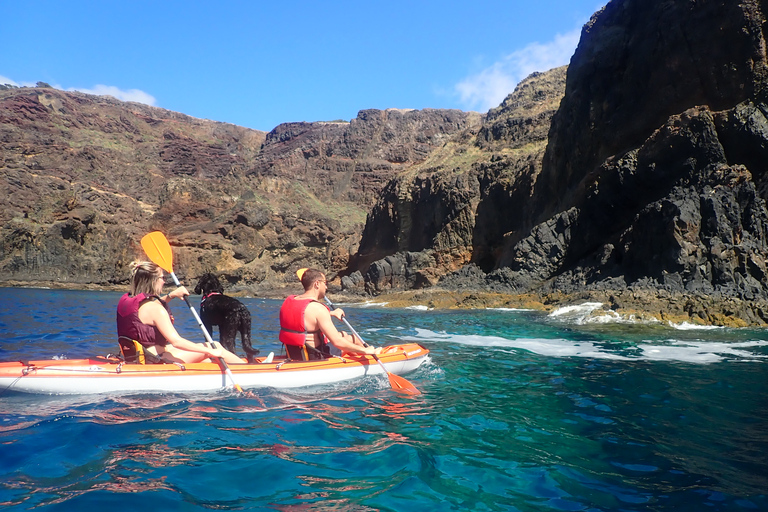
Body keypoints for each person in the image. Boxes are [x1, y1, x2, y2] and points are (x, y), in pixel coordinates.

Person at [116, 261, 243, 364]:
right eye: (162, 277)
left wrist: (171, 295)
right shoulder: (156, 310)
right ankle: (248, 369)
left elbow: (150, 309)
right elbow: (177, 342)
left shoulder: (130, 302)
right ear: (153, 280)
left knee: (207, 362)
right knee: (214, 346)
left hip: (139, 356)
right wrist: (211, 351)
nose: (164, 281)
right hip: (154, 360)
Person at [279, 268, 382, 360]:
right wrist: (365, 350)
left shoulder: (290, 301)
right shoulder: (319, 308)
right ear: (317, 284)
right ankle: (372, 357)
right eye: (325, 283)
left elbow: (304, 316)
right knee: (354, 338)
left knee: (343, 334)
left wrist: (332, 313)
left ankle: (358, 360)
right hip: (315, 356)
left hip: (294, 354)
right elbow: (337, 342)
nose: (326, 287)